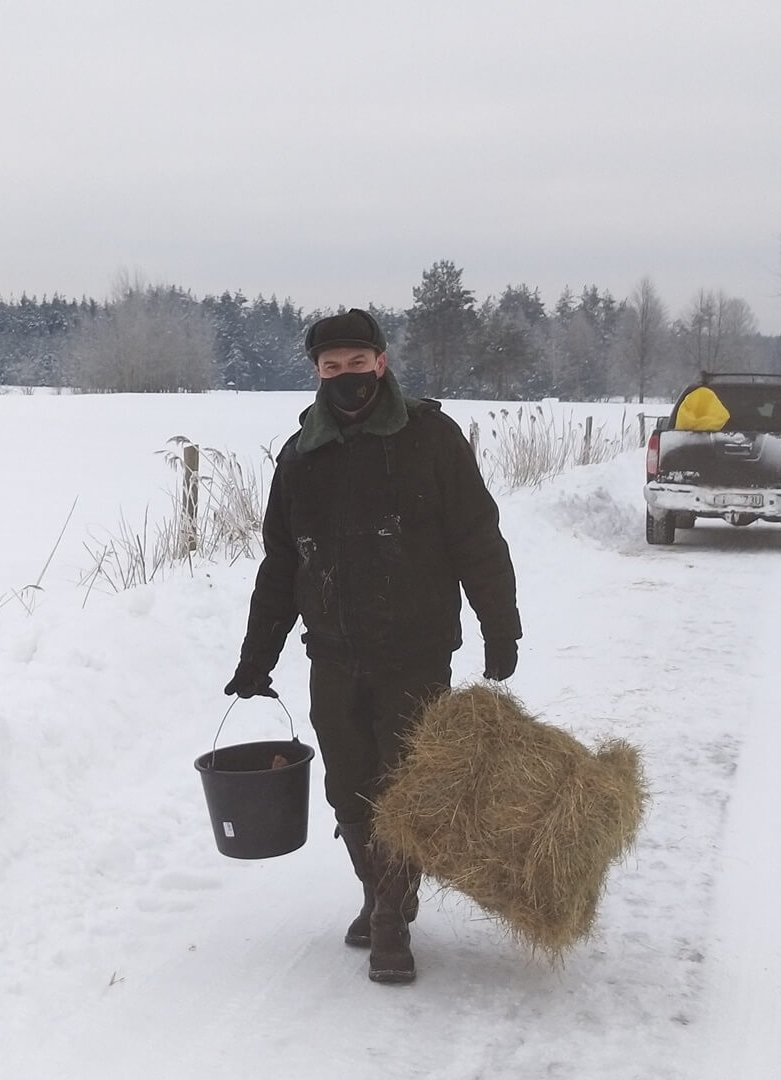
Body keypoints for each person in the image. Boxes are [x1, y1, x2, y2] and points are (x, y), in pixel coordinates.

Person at [225, 307, 522, 986]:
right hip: (332, 652)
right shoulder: (302, 456)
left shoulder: (431, 438)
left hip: (414, 651)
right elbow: (281, 566)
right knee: (346, 788)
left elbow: (477, 538)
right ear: (317, 373)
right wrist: (256, 657)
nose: (346, 376)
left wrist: (499, 626)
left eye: (358, 363)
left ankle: (390, 916)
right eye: (332, 367)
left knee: (403, 785)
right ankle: (380, 887)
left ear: (381, 363)